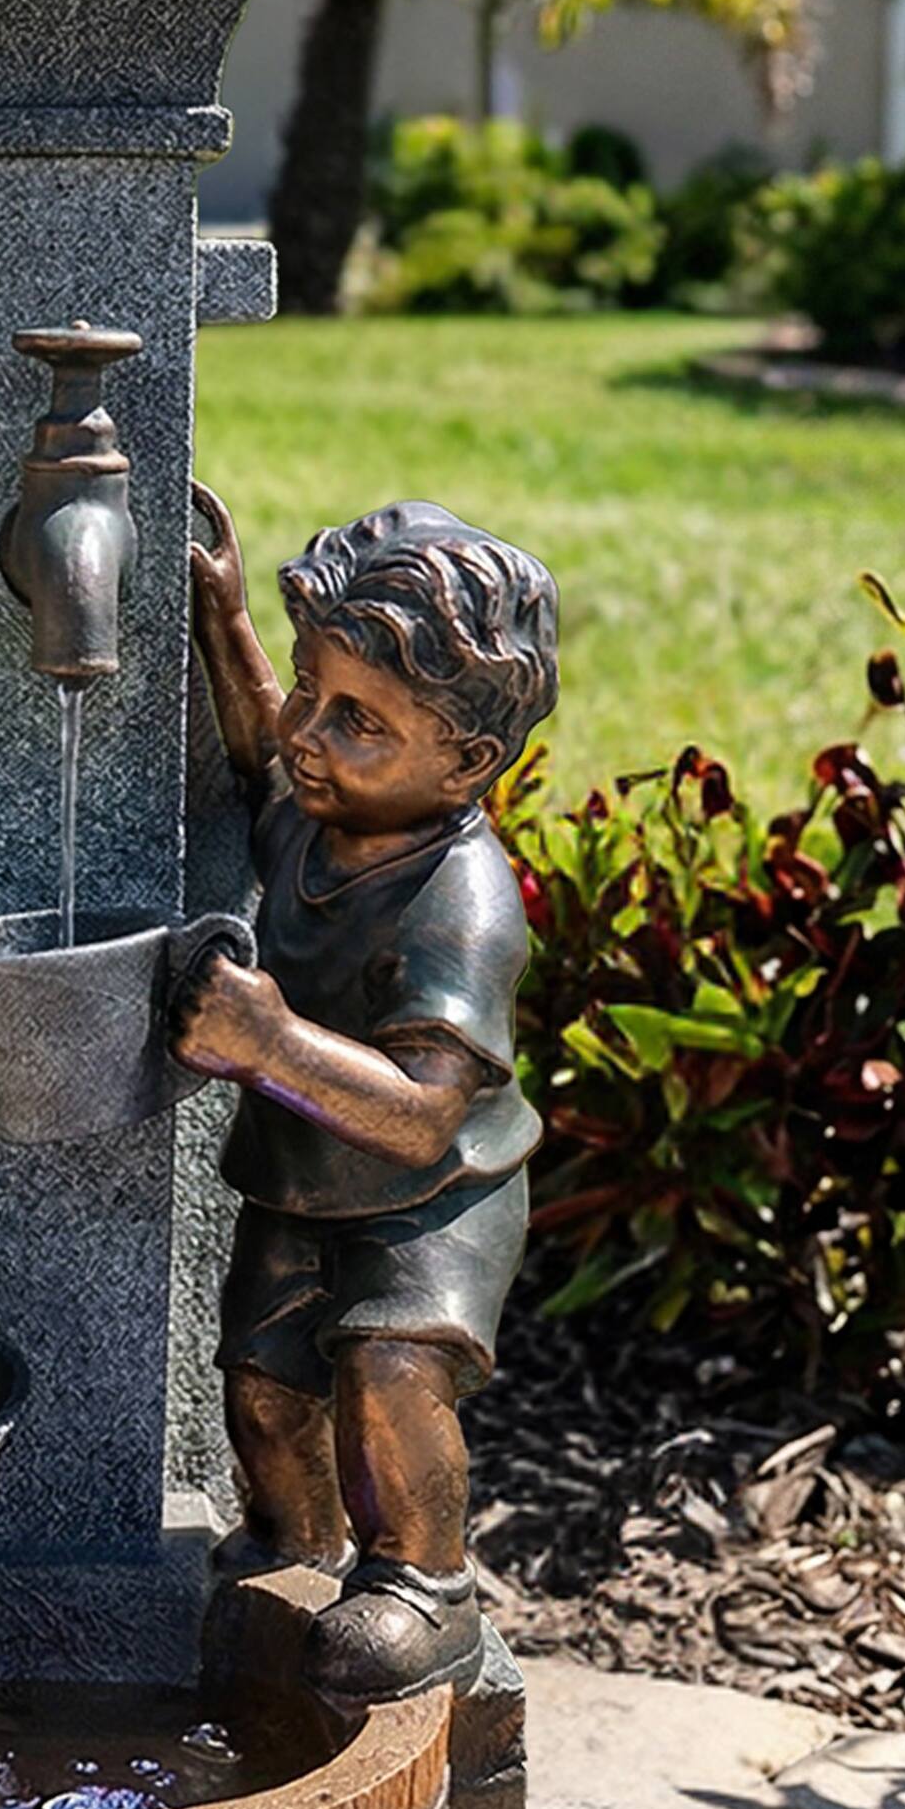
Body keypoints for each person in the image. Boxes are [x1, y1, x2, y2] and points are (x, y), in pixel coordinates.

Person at [174, 494, 557, 1699]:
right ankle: (295, 1542)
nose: (309, 737)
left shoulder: (461, 900)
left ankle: (424, 1582)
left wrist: (272, 1042)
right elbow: (253, 754)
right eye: (309, 691)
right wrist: (224, 620)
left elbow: (424, 1113)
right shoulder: (323, 813)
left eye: (361, 724)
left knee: (389, 1375)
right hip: (304, 1173)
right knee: (263, 1382)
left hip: (430, 1200)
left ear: (467, 761)